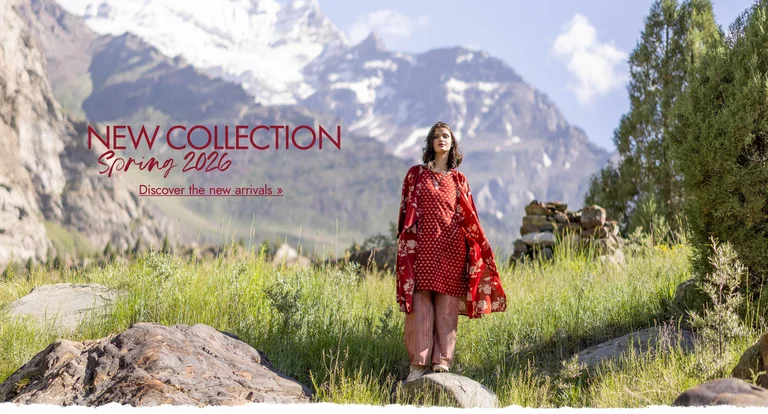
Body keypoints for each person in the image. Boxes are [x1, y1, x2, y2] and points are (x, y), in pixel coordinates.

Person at [395, 121, 507, 382]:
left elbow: (471, 218)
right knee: (420, 304)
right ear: (430, 143)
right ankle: (418, 365)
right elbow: (404, 213)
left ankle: (442, 361)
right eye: (436, 136)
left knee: (446, 306)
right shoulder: (416, 175)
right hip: (422, 249)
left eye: (445, 136)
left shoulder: (459, 180)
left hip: (452, 250)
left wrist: (474, 251)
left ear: (452, 143)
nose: (441, 140)